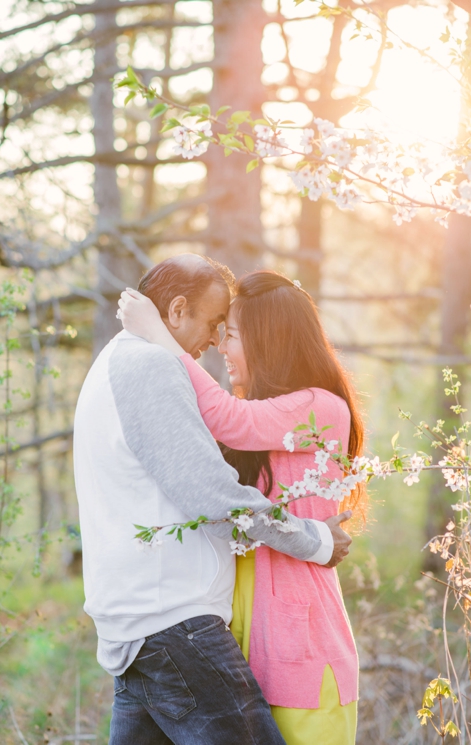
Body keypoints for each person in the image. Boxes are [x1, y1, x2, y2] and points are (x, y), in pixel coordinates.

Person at [74, 254, 353, 744]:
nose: (214, 342)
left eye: (230, 330)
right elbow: (211, 494)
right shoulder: (149, 366)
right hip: (175, 628)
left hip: (140, 633)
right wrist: (313, 539)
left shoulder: (115, 364)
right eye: (213, 324)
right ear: (177, 311)